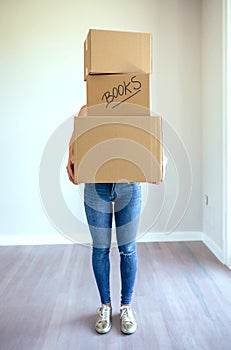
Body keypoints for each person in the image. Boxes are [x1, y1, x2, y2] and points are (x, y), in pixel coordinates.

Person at [66, 105, 166, 335]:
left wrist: (160, 161)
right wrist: (71, 157)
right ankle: (105, 305)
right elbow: (75, 144)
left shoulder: (137, 107)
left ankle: (126, 306)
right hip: (96, 185)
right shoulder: (87, 111)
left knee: (128, 249)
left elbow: (151, 140)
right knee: (100, 248)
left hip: (129, 184)